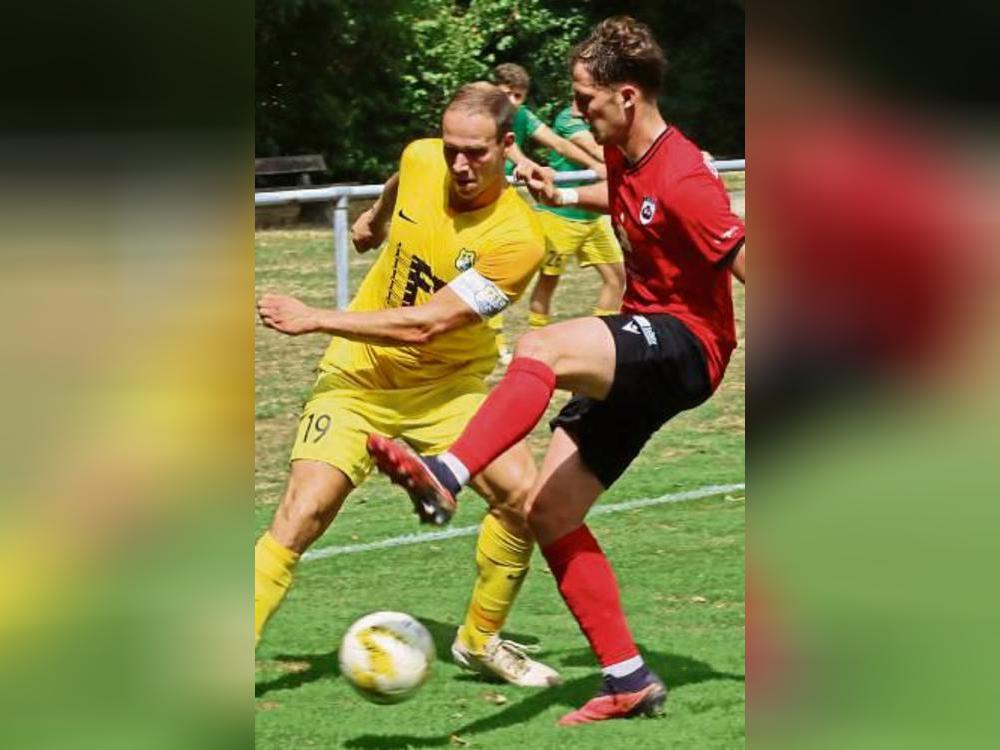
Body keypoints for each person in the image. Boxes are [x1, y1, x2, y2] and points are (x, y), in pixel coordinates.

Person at [368, 17, 746, 725]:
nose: (577, 111)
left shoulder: (687, 176)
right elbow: (630, 204)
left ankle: (445, 477)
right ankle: (627, 678)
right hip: (647, 347)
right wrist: (560, 192)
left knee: (542, 348)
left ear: (627, 96)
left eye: (586, 97)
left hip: (688, 347)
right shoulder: (622, 154)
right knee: (549, 512)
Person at [254, 82, 561, 688]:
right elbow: (406, 172)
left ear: (507, 146)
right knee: (301, 513)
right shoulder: (424, 157)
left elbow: (426, 327)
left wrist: (316, 317)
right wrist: (374, 216)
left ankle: (479, 642)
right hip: (357, 377)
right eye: (452, 149)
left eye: (476, 152)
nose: (459, 165)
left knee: (526, 502)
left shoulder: (517, 240)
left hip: (449, 388)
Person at [488, 63, 608, 364]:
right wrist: (529, 165)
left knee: (506, 269)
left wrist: (594, 167)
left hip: (507, 197)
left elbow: (556, 142)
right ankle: (495, 342)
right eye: (507, 94)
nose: (512, 102)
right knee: (500, 273)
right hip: (482, 196)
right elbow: (510, 152)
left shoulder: (524, 116)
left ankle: (599, 341)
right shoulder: (484, 115)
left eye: (518, 96)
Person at [526, 100, 625, 329]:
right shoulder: (567, 119)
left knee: (616, 278)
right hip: (559, 216)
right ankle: (536, 335)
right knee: (549, 281)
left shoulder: (605, 118)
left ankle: (602, 337)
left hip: (592, 217)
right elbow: (598, 151)